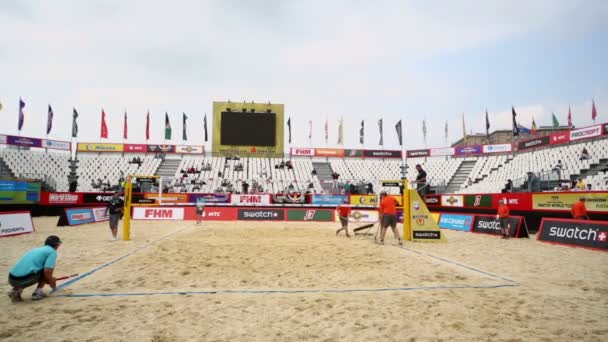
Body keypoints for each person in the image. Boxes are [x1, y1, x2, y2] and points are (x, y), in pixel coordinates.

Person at [7, 235, 62, 302]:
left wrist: (50, 279)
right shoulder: (52, 251)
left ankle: (15, 290)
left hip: (11, 278)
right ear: (57, 245)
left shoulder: (35, 249)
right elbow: (47, 271)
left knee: (34, 269)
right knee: (45, 272)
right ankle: (38, 292)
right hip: (22, 279)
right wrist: (51, 280)